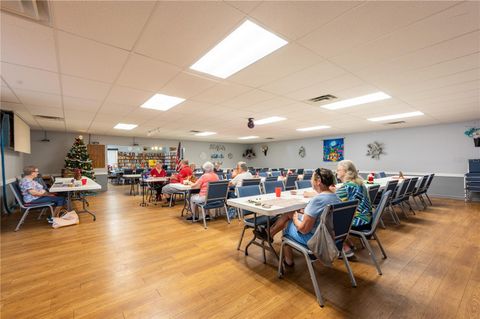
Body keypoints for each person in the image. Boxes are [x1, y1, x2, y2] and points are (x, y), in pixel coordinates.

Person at [256, 168, 340, 266]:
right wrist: (302, 213)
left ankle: (288, 260)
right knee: (290, 214)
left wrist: (295, 219)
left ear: (318, 181)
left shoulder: (318, 200)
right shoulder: (335, 197)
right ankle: (269, 234)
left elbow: (303, 229)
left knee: (287, 224)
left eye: (312, 179)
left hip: (317, 240)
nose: (311, 181)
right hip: (332, 237)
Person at [334, 160, 372, 257]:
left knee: (327, 218)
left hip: (358, 222)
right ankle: (348, 242)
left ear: (346, 171)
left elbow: (331, 200)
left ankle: (344, 248)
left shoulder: (347, 187)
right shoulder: (359, 184)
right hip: (366, 219)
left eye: (338, 170)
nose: (336, 172)